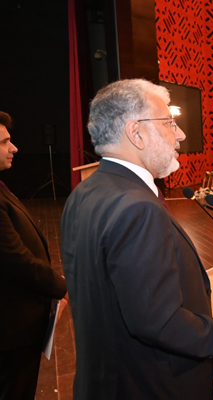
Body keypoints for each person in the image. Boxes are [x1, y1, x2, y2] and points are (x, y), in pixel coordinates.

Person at [60, 79, 213, 400]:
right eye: (169, 123)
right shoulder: (137, 207)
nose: (181, 134)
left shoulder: (86, 191)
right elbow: (158, 322)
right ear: (136, 132)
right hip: (149, 384)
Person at [0, 111, 68, 400]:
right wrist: (61, 285)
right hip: (11, 330)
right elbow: (14, 259)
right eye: (4, 142)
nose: (14, 148)